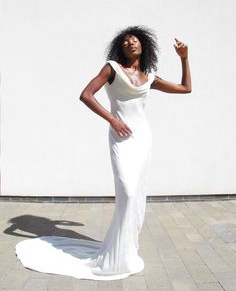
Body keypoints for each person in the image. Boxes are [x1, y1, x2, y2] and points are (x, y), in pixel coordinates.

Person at [15, 26, 191, 281]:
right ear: (120, 47)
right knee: (128, 193)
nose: (131, 43)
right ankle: (116, 255)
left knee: (137, 194)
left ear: (144, 46)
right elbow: (86, 95)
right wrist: (112, 120)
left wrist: (184, 58)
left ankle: (126, 252)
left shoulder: (149, 77)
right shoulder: (112, 68)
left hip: (143, 139)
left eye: (135, 40)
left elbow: (186, 88)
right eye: (126, 41)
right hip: (121, 138)